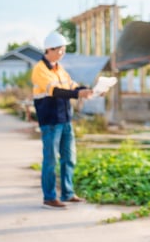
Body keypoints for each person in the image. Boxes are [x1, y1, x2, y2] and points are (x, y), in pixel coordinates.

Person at [32, 31, 93, 209]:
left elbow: (71, 85)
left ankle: (67, 193)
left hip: (65, 119)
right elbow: (56, 91)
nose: (63, 53)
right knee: (50, 160)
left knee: (69, 158)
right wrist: (77, 94)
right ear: (49, 49)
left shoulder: (60, 69)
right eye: (60, 50)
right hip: (50, 121)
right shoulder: (40, 70)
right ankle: (49, 198)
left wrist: (88, 90)